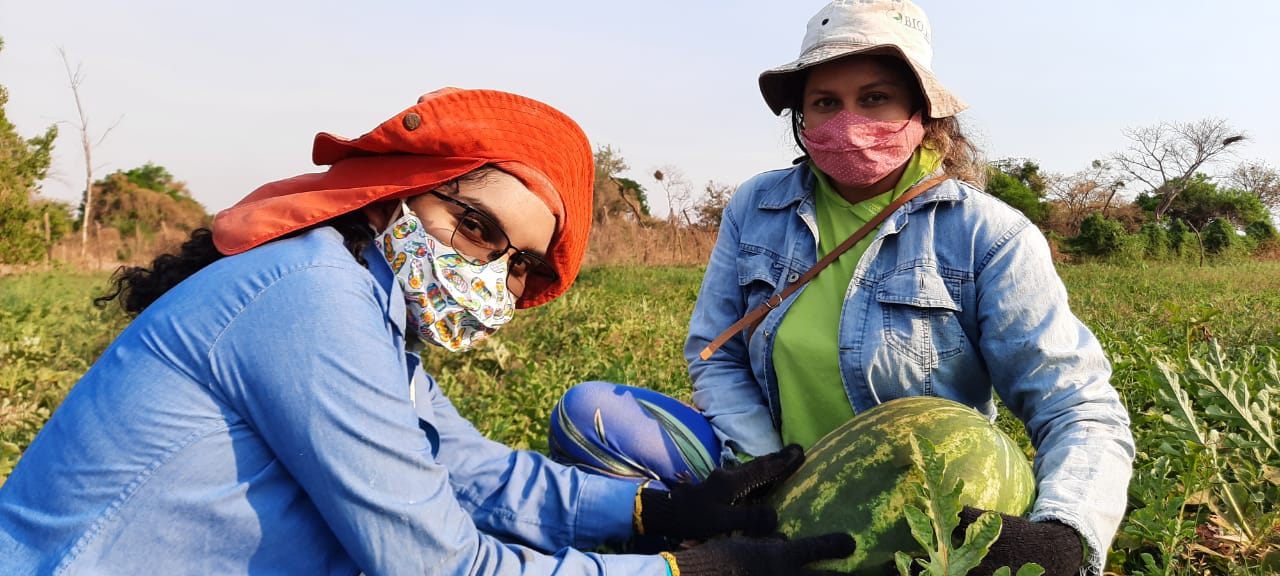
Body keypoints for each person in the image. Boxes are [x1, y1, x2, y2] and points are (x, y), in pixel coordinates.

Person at [0, 88, 857, 575]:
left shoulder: (365, 310)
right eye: (477, 227)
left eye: (519, 262)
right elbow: (440, 569)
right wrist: (685, 572)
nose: (490, 272)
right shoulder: (311, 299)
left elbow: (465, 468)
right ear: (402, 192)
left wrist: (648, 509)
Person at [551, 2, 1135, 575]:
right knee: (590, 415)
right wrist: (763, 467)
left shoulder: (988, 235)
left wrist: (1066, 535)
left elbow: (1077, 405)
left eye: (875, 98)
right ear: (800, 117)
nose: (848, 122)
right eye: (825, 102)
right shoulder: (758, 206)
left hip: (907, 500)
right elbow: (717, 354)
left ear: (924, 111)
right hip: (769, 471)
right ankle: (710, 544)